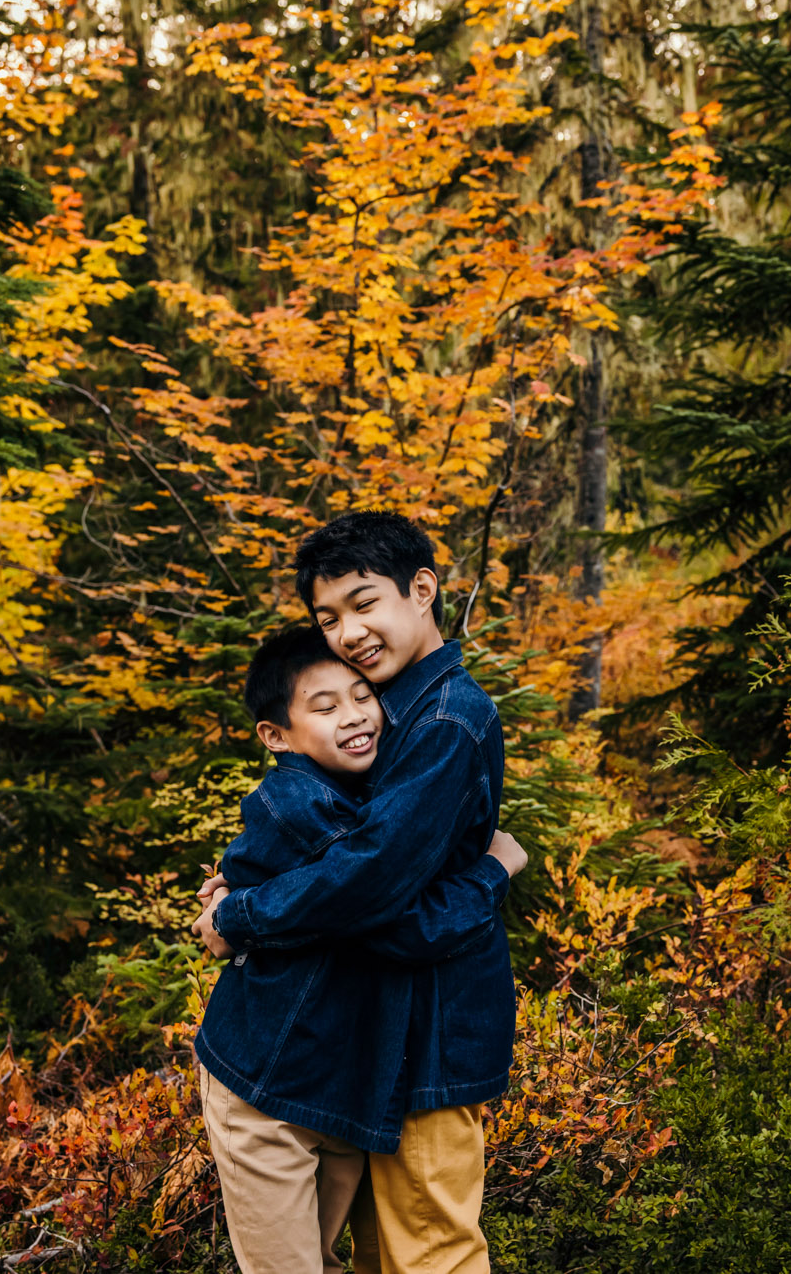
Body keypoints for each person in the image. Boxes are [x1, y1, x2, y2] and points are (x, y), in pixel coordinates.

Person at [196, 511, 519, 1274]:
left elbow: (372, 884)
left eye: (364, 603)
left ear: (422, 590)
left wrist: (240, 916)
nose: (349, 632)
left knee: (431, 1255)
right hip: (379, 1045)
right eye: (328, 617)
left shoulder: (443, 719)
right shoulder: (388, 708)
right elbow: (315, 829)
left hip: (433, 1034)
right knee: (386, 1256)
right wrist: (245, 881)